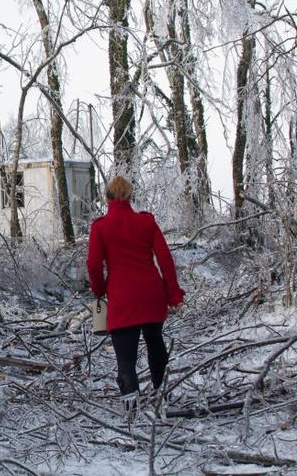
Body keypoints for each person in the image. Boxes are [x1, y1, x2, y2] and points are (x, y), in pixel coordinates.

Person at [86, 176, 185, 415]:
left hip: (122, 298)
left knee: (126, 356)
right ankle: (162, 395)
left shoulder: (100, 227)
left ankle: (131, 407)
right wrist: (173, 293)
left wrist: (99, 290)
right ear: (130, 197)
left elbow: (93, 265)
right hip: (152, 293)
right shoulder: (146, 222)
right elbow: (165, 259)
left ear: (107, 198)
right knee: (155, 342)